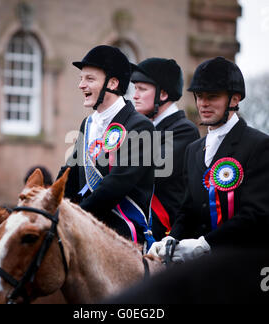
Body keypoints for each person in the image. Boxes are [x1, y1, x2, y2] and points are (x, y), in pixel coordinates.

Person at [149, 56, 269, 262]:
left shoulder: (258, 145)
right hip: (200, 268)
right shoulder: (193, 149)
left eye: (212, 96)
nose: (203, 103)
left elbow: (256, 214)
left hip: (243, 263)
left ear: (234, 99)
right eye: (199, 96)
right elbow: (187, 209)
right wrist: (172, 238)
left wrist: (206, 244)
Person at [57, 45, 156, 249]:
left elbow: (117, 183)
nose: (81, 85)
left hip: (122, 232)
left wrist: (77, 216)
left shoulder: (140, 126)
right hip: (86, 226)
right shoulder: (88, 124)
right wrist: (48, 201)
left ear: (112, 83)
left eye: (90, 79)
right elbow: (70, 173)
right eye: (81, 79)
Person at [131, 58, 200, 241]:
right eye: (135, 88)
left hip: (165, 231)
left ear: (162, 94)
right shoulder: (143, 129)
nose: (134, 96)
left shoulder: (184, 130)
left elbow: (151, 171)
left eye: (142, 89)